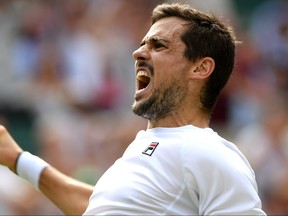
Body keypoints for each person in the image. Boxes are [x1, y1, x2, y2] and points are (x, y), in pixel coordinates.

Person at [0, 3, 266, 215]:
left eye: (158, 45)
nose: (138, 53)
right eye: (143, 44)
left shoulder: (213, 154)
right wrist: (18, 159)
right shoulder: (145, 145)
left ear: (200, 68)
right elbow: (98, 208)